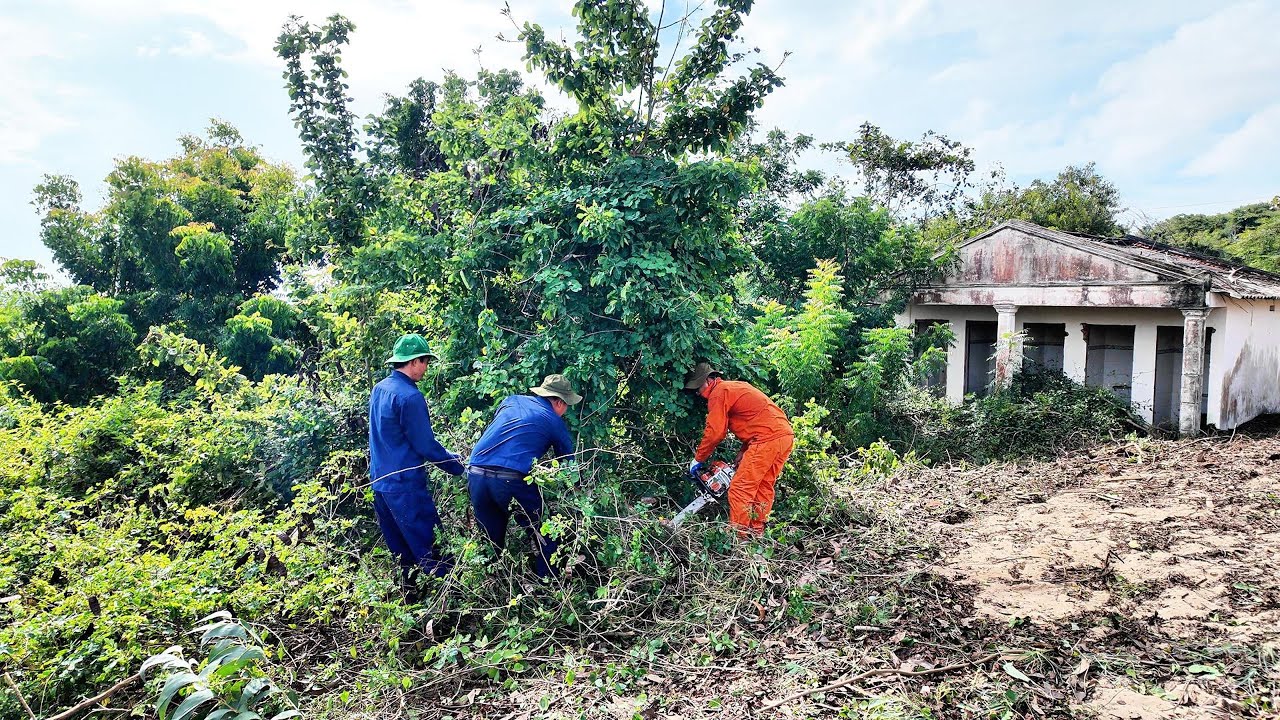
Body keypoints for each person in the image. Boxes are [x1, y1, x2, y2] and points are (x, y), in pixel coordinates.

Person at [368, 334, 465, 584]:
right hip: (405, 486)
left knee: (403, 555)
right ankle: (448, 602)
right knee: (432, 549)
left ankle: (411, 602)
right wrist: (457, 467)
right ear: (413, 362)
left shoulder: (380, 389)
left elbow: (393, 438)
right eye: (425, 362)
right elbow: (425, 445)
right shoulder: (410, 397)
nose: (426, 368)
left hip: (381, 485)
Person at [467, 374, 580, 578]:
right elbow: (569, 468)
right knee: (546, 532)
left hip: (476, 472)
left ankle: (491, 587)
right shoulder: (553, 420)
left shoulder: (511, 401)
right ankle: (548, 586)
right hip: (511, 478)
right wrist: (577, 495)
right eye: (567, 405)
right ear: (559, 402)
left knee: (490, 540)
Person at [684, 362, 793, 535]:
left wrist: (698, 459)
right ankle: (757, 532)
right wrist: (743, 451)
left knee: (740, 489)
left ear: (708, 381)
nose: (698, 393)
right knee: (763, 486)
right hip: (783, 436)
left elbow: (715, 433)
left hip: (766, 439)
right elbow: (756, 419)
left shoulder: (719, 393)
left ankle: (739, 540)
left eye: (698, 388)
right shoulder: (734, 387)